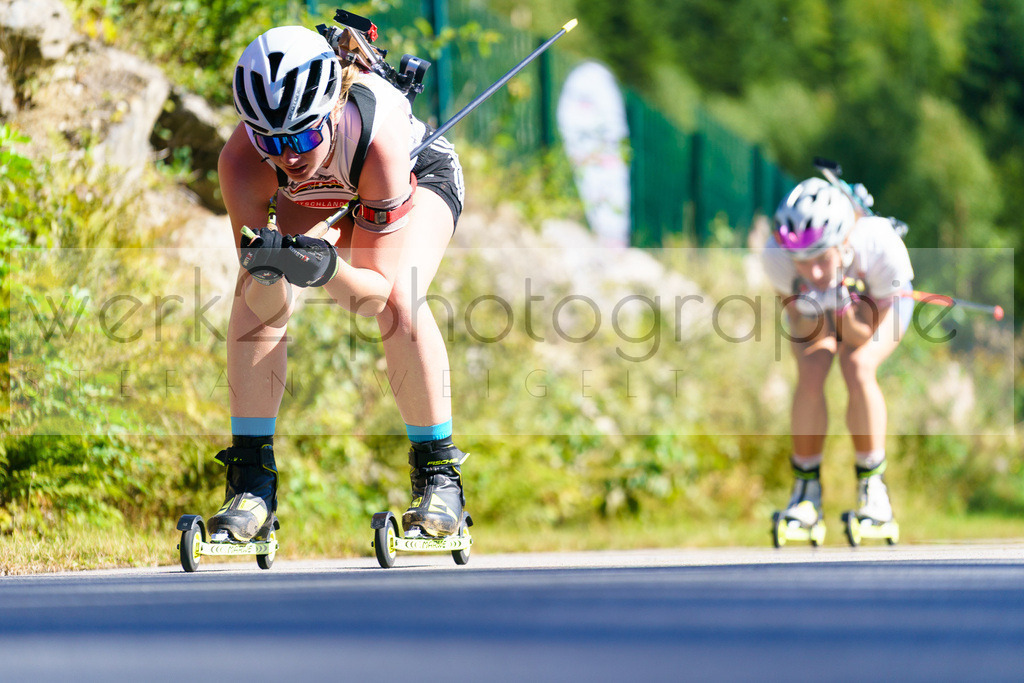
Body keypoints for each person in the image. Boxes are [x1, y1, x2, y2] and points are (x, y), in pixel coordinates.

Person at [208, 24, 468, 543]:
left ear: (331, 108)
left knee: (400, 298)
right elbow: (265, 298)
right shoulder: (242, 162)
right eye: (271, 141)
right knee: (254, 290)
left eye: (303, 136)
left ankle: (440, 478)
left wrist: (324, 267)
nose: (289, 156)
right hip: (314, 196)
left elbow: (369, 296)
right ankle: (252, 484)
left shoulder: (380, 142)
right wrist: (271, 266)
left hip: (412, 177)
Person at [762, 177, 914, 536]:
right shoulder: (776, 257)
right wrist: (816, 302)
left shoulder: (879, 246)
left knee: (857, 365)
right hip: (826, 306)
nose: (811, 272)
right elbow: (801, 326)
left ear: (843, 243)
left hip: (881, 300)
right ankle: (805, 492)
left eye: (820, 259)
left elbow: (859, 337)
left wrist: (844, 309)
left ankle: (874, 492)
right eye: (801, 262)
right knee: (812, 370)